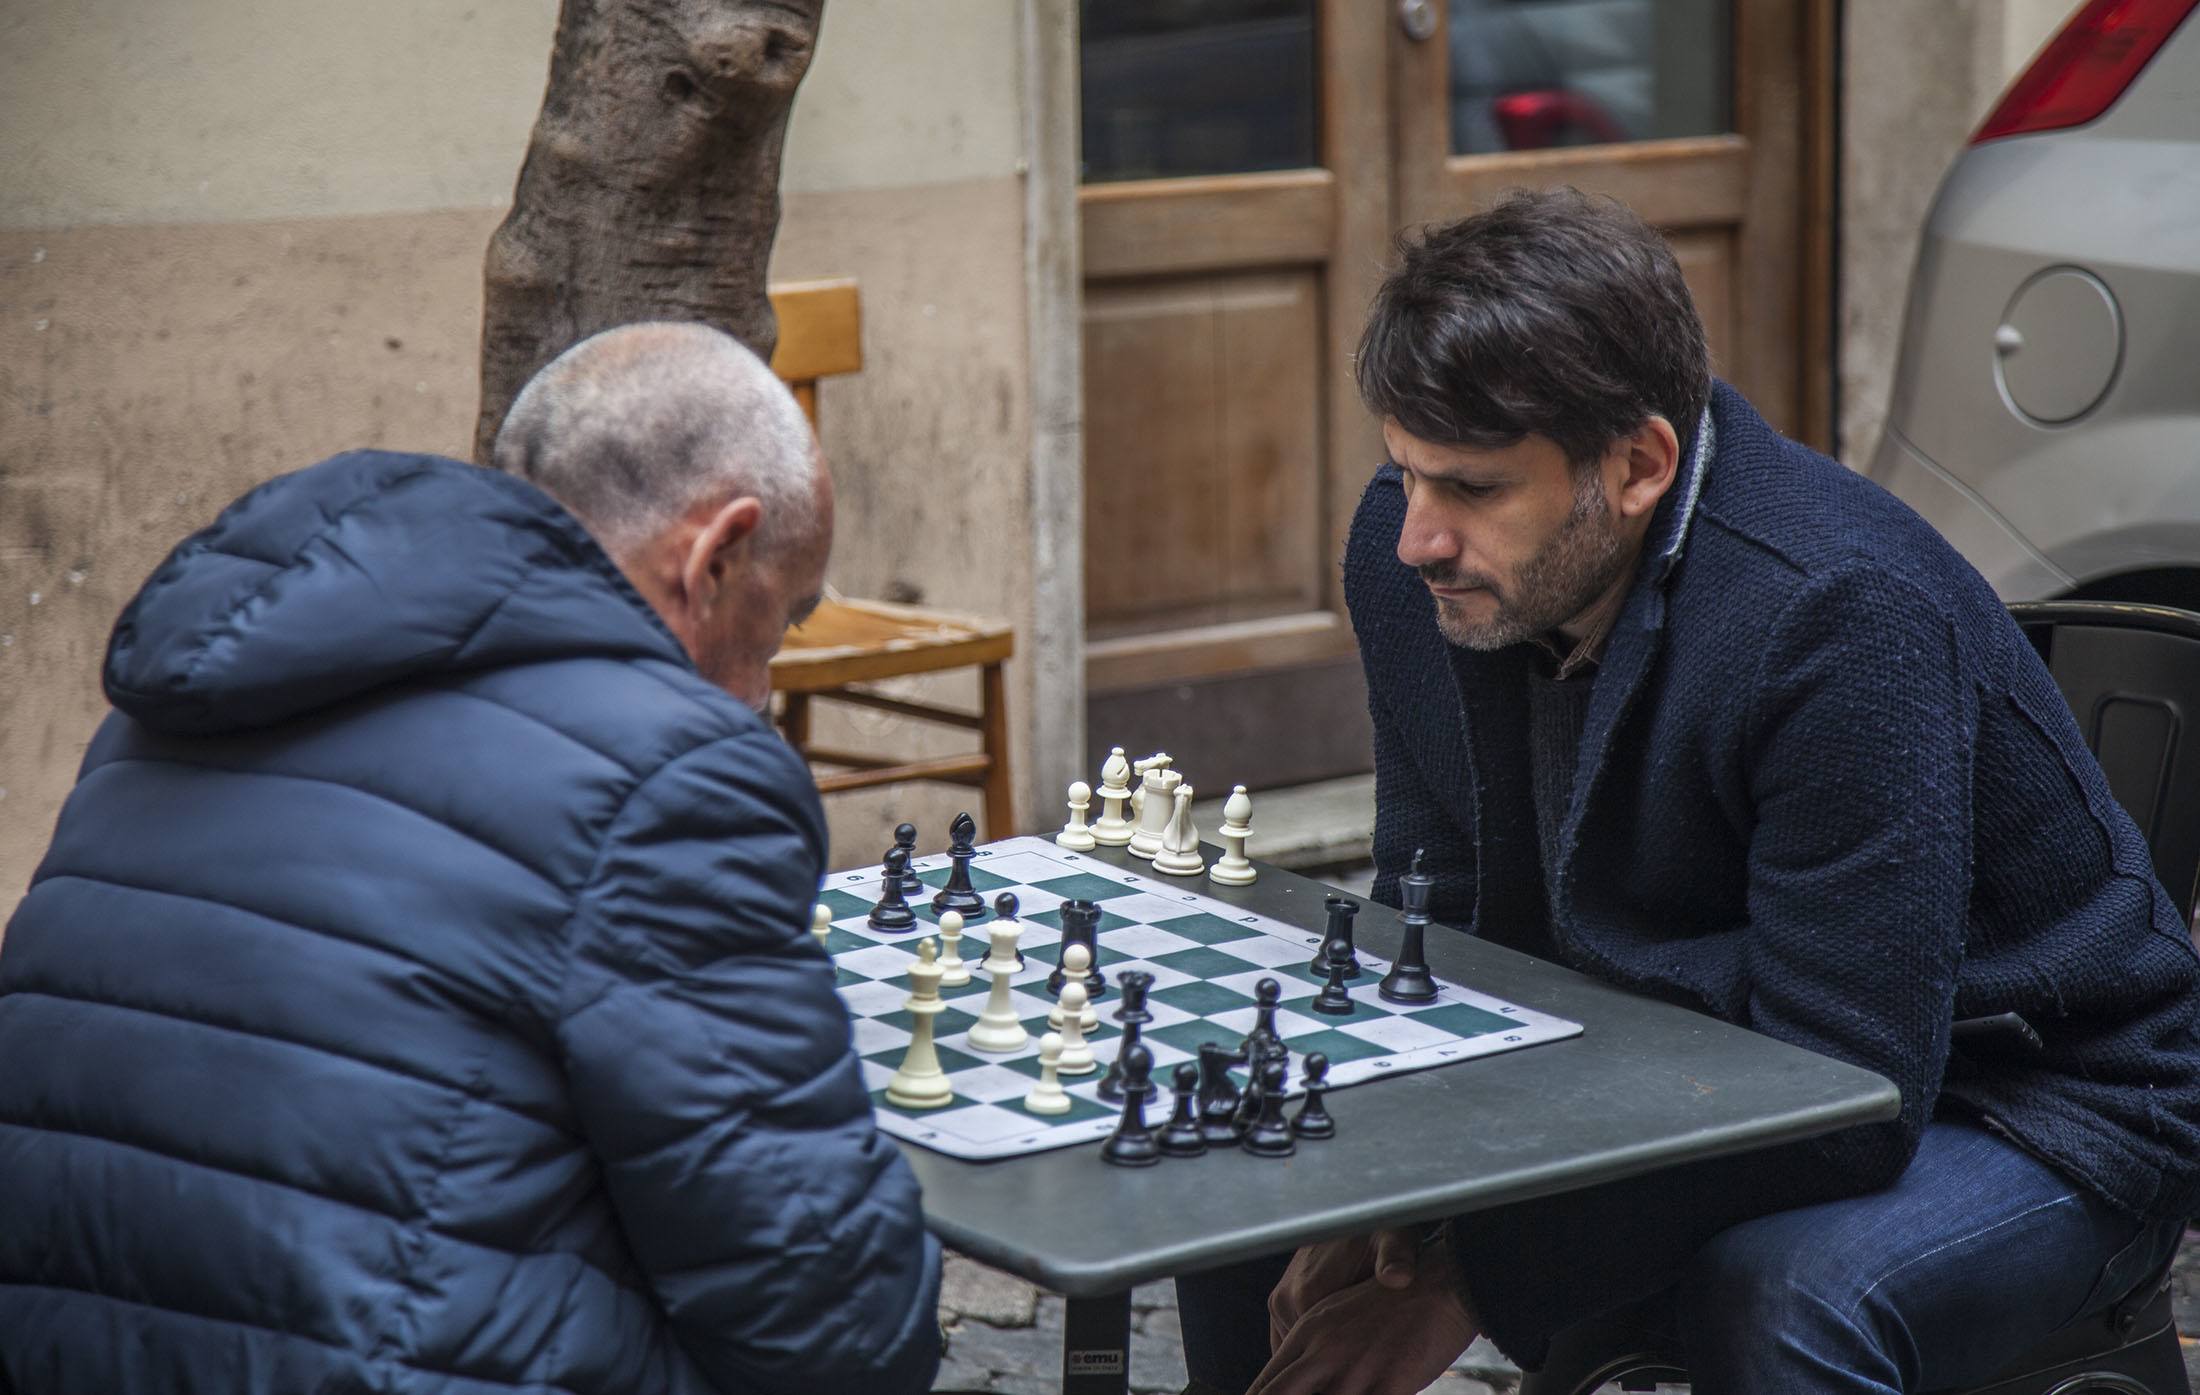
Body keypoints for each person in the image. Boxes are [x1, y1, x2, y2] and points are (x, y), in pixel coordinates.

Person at [1180, 191, 2200, 1395]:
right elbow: (1440, 912)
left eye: (1473, 489)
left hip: (2027, 1093)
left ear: (1637, 465)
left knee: (1776, 1298)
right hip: (1675, 1044)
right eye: (1406, 475)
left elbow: (1849, 1091)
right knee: (1252, 1176)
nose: (1419, 539)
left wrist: (1468, 1279)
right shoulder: (1414, 564)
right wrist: (1385, 1190)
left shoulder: (1835, 613)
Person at [0, 323, 943, 1394]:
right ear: (715, 556)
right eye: (777, 630)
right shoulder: (668, 774)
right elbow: (823, 1306)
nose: (759, 693)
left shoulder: (178, 695)